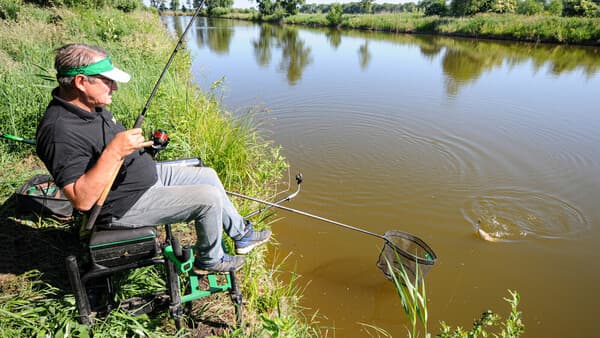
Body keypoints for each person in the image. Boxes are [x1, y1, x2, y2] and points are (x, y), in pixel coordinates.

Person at [36, 43, 270, 272]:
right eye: (108, 81)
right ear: (81, 82)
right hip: (123, 205)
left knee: (208, 176)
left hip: (141, 177)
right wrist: (115, 150)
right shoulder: (59, 131)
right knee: (208, 198)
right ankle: (210, 260)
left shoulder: (90, 106)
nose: (114, 87)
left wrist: (148, 149)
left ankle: (241, 235)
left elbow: (104, 154)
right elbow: (81, 199)